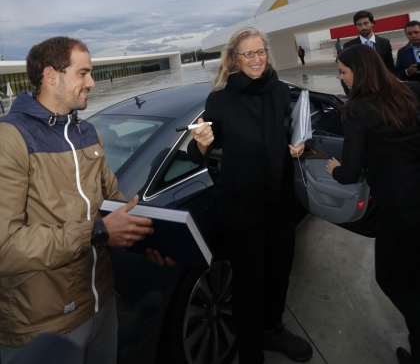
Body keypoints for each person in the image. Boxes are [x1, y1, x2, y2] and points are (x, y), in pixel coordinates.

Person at [0, 36, 155, 364]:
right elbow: (6, 247)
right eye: (83, 73)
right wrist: (97, 233)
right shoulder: (10, 139)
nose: (92, 83)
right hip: (43, 327)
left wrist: (151, 237)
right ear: (51, 76)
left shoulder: (89, 133)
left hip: (102, 305)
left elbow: (114, 201)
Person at [189, 27, 312, 364]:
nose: (256, 59)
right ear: (234, 58)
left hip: (280, 202)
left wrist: (299, 144)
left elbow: (291, 132)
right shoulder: (220, 98)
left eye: (261, 52)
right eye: (248, 54)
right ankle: (249, 351)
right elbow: (199, 146)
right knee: (248, 284)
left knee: (278, 274)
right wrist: (201, 141)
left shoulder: (280, 90)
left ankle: (272, 330)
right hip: (243, 208)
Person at [325, 44, 420, 364]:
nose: (341, 79)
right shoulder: (410, 92)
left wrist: (333, 168)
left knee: (391, 279)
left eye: (343, 71)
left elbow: (350, 173)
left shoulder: (356, 110)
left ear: (360, 72)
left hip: (398, 209)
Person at [340, 10, 395, 94]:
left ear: (372, 23)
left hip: (384, 90)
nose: (363, 27)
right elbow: (344, 73)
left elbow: (390, 67)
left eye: (366, 23)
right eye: (359, 25)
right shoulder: (349, 46)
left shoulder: (384, 43)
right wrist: (351, 95)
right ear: (356, 26)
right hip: (361, 92)